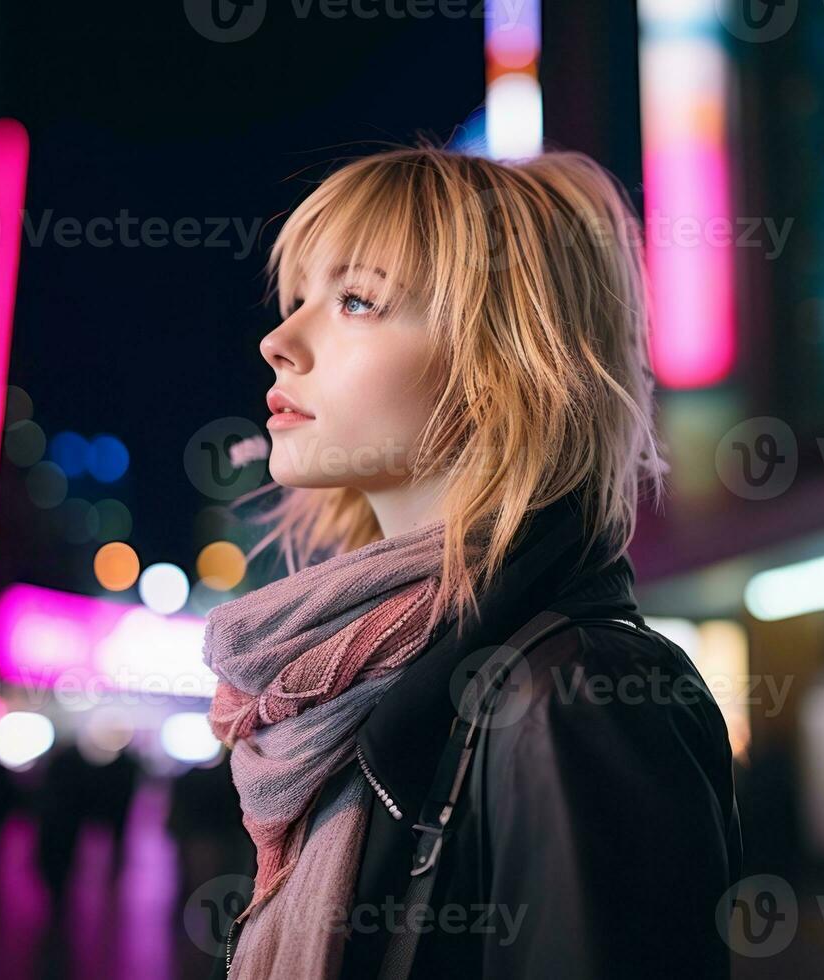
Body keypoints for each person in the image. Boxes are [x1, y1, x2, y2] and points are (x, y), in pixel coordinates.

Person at [202, 140, 742, 979]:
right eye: (298, 297)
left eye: (353, 301)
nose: (279, 339)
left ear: (498, 365)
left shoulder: (575, 694)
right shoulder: (343, 694)